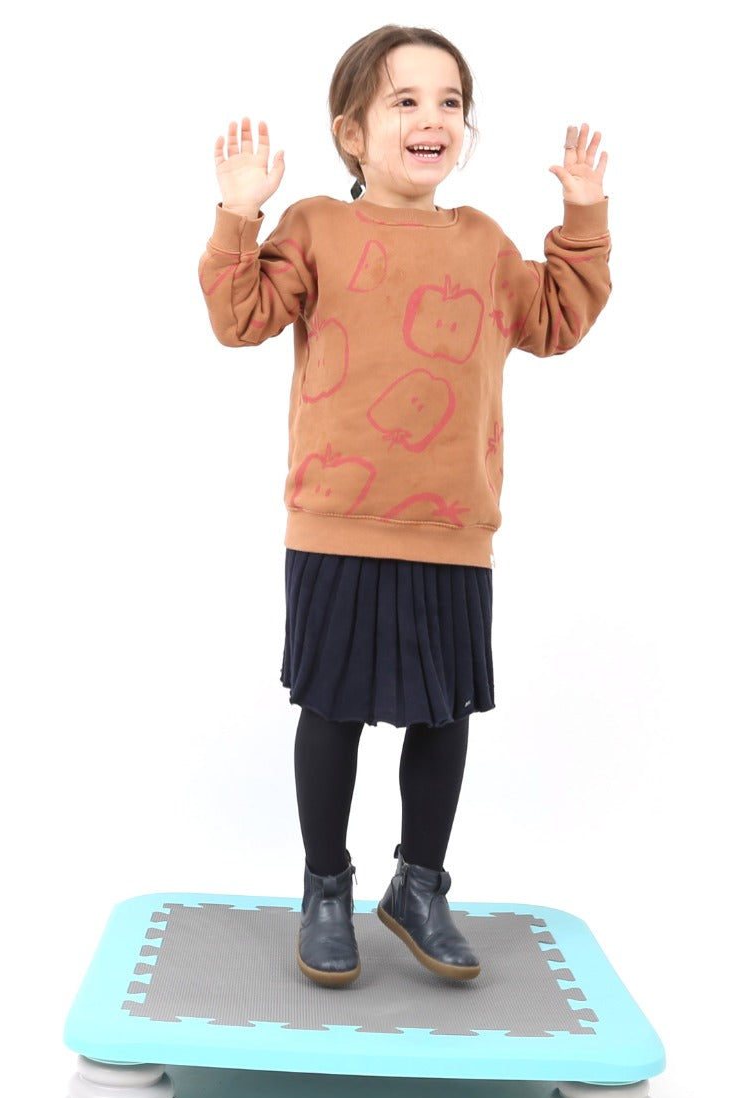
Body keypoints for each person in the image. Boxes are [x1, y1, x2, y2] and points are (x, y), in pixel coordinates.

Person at [199, 25, 610, 988]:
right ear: (351, 133)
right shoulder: (313, 227)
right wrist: (237, 215)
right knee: (333, 708)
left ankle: (419, 885)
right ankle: (327, 887)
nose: (432, 119)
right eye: (405, 101)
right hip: (339, 518)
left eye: (450, 102)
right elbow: (239, 316)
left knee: (443, 714)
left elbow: (556, 316)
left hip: (454, 529)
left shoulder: (483, 243)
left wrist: (583, 216)